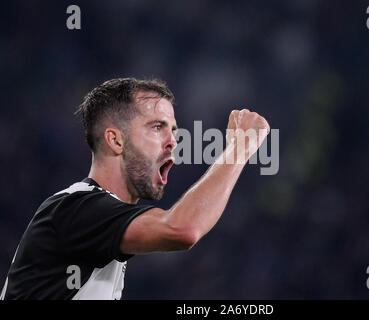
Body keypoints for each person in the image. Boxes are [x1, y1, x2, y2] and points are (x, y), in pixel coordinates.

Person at [0, 78, 270, 299]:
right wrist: (239, 148)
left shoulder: (97, 224)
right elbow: (182, 229)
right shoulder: (76, 207)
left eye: (173, 131)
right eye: (157, 127)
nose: (173, 142)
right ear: (116, 141)